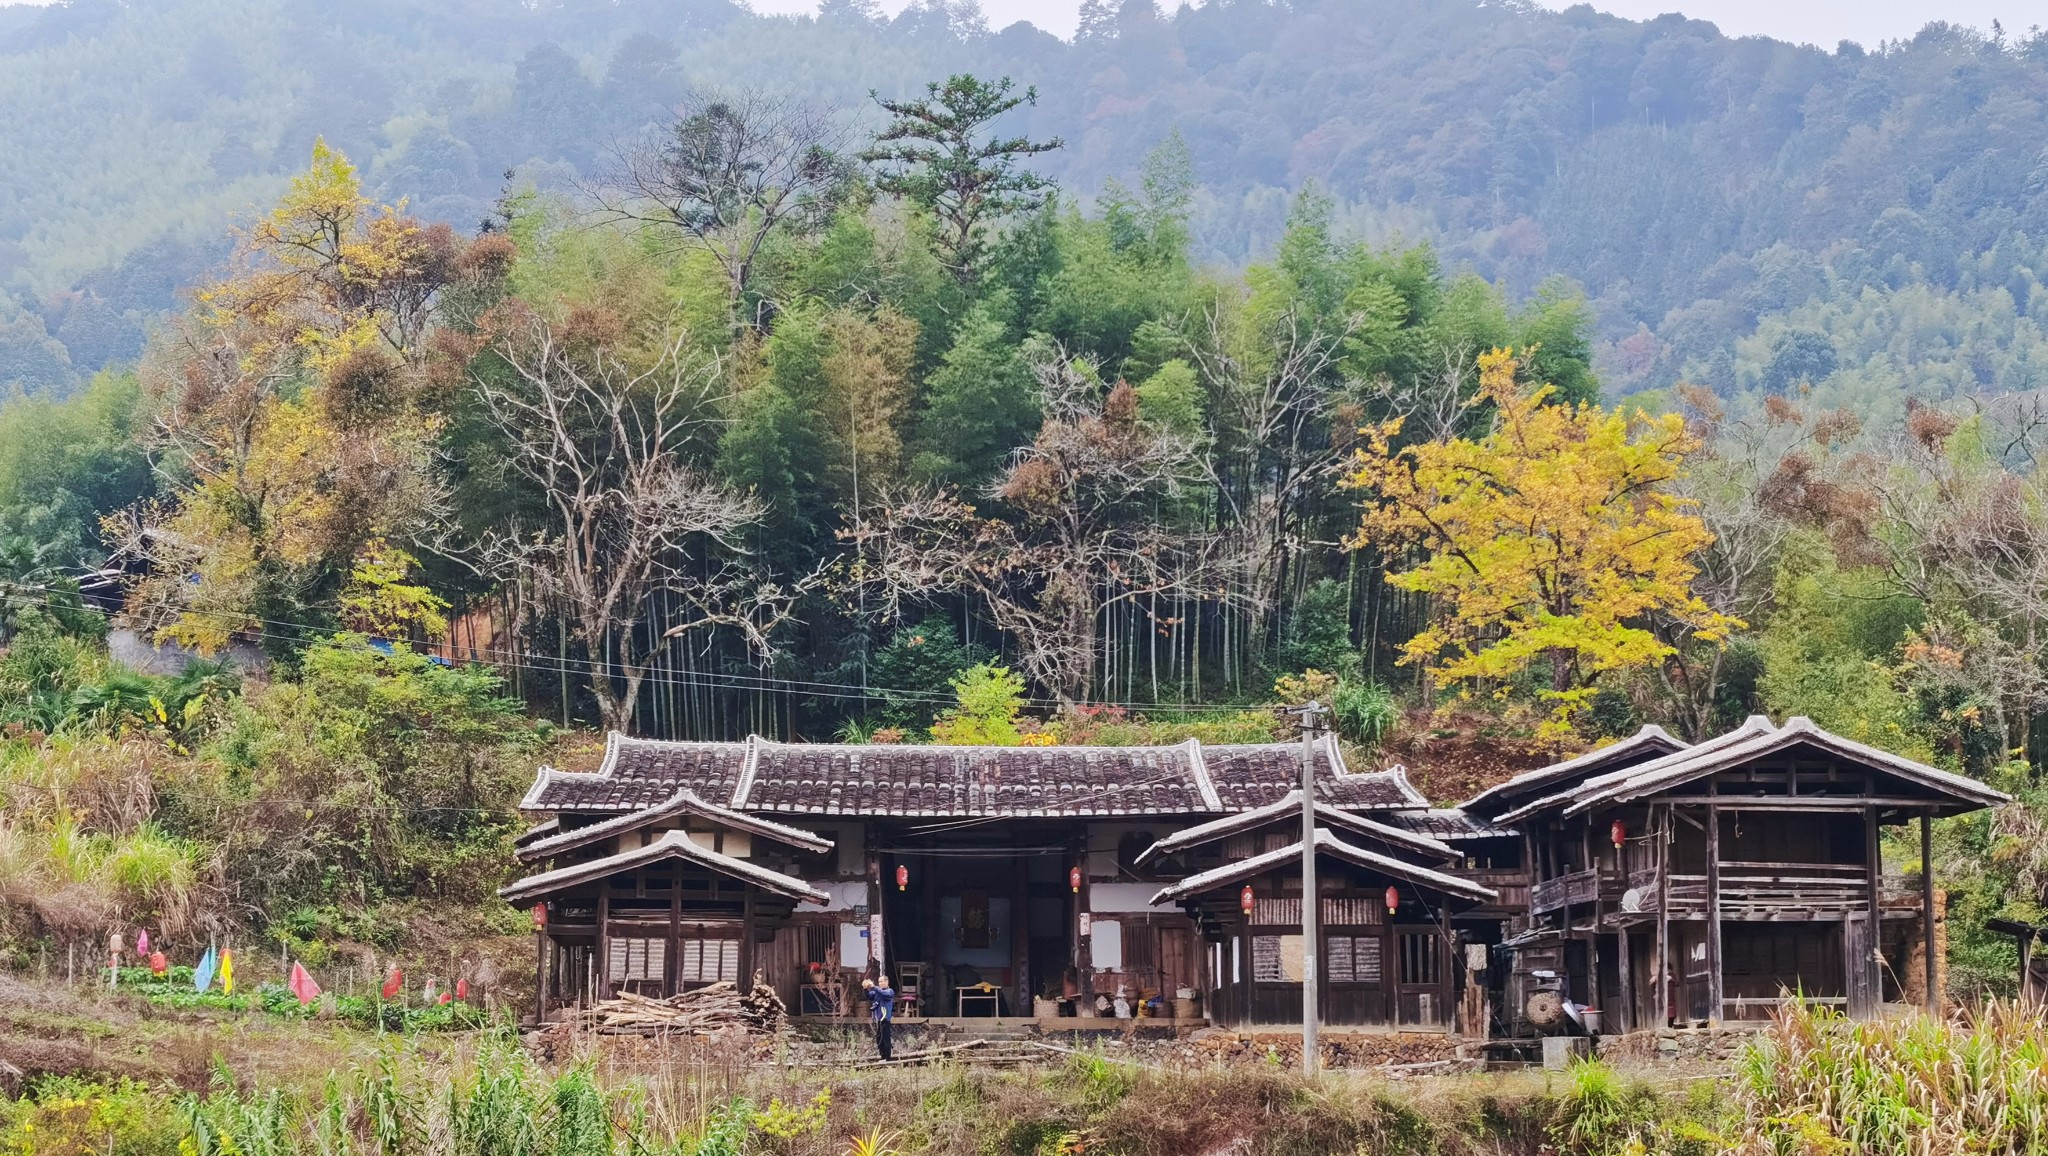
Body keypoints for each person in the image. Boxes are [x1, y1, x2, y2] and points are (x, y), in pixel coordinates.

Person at [861, 974, 896, 1060]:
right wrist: (866, 988)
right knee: (879, 1039)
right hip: (878, 1018)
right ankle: (882, 1057)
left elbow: (883, 993)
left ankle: (887, 1058)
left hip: (885, 1018)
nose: (879, 983)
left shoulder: (889, 991)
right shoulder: (877, 991)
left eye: (881, 981)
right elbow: (869, 996)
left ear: (886, 982)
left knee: (886, 1039)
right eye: (879, 981)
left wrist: (874, 986)